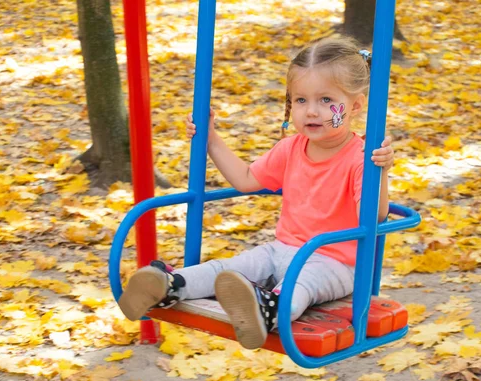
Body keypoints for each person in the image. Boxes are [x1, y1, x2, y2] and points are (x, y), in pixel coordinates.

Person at [118, 36, 395, 350]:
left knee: (301, 284)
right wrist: (211, 140)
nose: (312, 111)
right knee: (232, 267)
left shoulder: (361, 157)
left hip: (336, 264)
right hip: (282, 250)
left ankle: (268, 310)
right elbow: (246, 179)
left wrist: (380, 173)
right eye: (301, 100)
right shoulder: (290, 148)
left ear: (355, 105)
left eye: (327, 100)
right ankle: (170, 285)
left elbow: (374, 217)